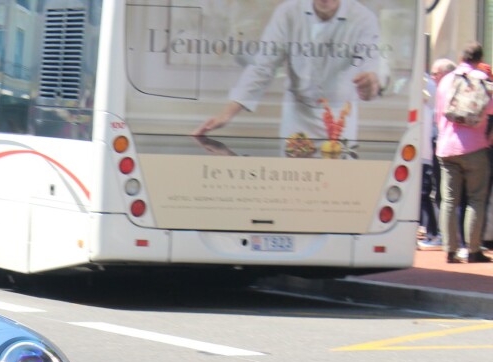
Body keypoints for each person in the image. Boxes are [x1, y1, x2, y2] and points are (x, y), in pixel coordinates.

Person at [193, 0, 387, 145]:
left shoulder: (364, 18)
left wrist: (370, 85)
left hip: (340, 119)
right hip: (297, 118)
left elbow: (370, 68)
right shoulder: (287, 13)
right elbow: (262, 67)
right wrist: (226, 115)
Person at [436, 43, 493, 264]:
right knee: (476, 199)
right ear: (480, 59)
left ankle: (450, 250)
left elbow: (439, 113)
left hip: (446, 147)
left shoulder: (446, 80)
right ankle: (473, 249)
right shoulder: (483, 81)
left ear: (461, 57)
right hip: (475, 147)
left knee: (449, 200)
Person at [419, 60, 456, 249]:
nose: (433, 77)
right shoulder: (440, 88)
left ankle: (439, 235)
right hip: (443, 145)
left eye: (435, 73)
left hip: (442, 146)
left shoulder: (435, 88)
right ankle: (444, 236)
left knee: (443, 195)